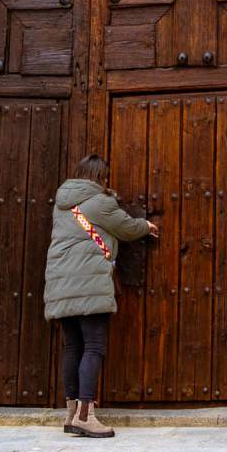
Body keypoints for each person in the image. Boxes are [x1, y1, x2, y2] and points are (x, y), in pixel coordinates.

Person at [44, 154, 156, 437]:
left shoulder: (62, 205)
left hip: (60, 282)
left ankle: (72, 414)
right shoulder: (100, 202)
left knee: (72, 347)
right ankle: (85, 416)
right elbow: (127, 228)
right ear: (100, 177)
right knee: (93, 346)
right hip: (89, 283)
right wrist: (146, 226)